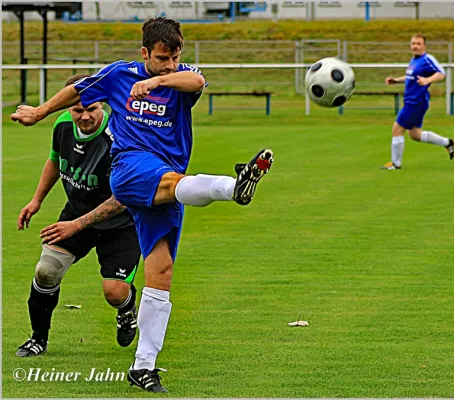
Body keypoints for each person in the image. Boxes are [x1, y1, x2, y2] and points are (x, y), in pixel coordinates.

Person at [11, 17, 273, 393]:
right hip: (130, 168)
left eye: (175, 56)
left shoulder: (179, 78)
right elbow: (77, 91)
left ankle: (143, 366)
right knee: (173, 184)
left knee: (161, 273)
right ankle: (235, 186)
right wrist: (38, 112)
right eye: (162, 58)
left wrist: (158, 80)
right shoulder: (119, 75)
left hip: (168, 183)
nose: (170, 64)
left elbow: (197, 81)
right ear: (144, 52)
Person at [15, 74, 140, 358]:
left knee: (115, 293)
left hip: (122, 222)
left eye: (91, 108)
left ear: (104, 106)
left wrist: (76, 225)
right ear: (69, 107)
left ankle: (127, 309)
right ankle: (38, 339)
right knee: (46, 271)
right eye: (78, 110)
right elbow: (55, 160)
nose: (84, 116)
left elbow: (120, 199)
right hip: (77, 213)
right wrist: (36, 200)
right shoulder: (62, 126)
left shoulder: (119, 136)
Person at [381, 34, 454, 170]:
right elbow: (411, 77)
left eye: (418, 44)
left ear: (424, 46)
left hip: (416, 101)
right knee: (415, 135)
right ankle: (448, 143)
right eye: (413, 43)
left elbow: (441, 73)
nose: (415, 46)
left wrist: (427, 81)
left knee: (397, 129)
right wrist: (396, 80)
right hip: (412, 101)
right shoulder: (414, 60)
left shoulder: (427, 59)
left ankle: (395, 164)